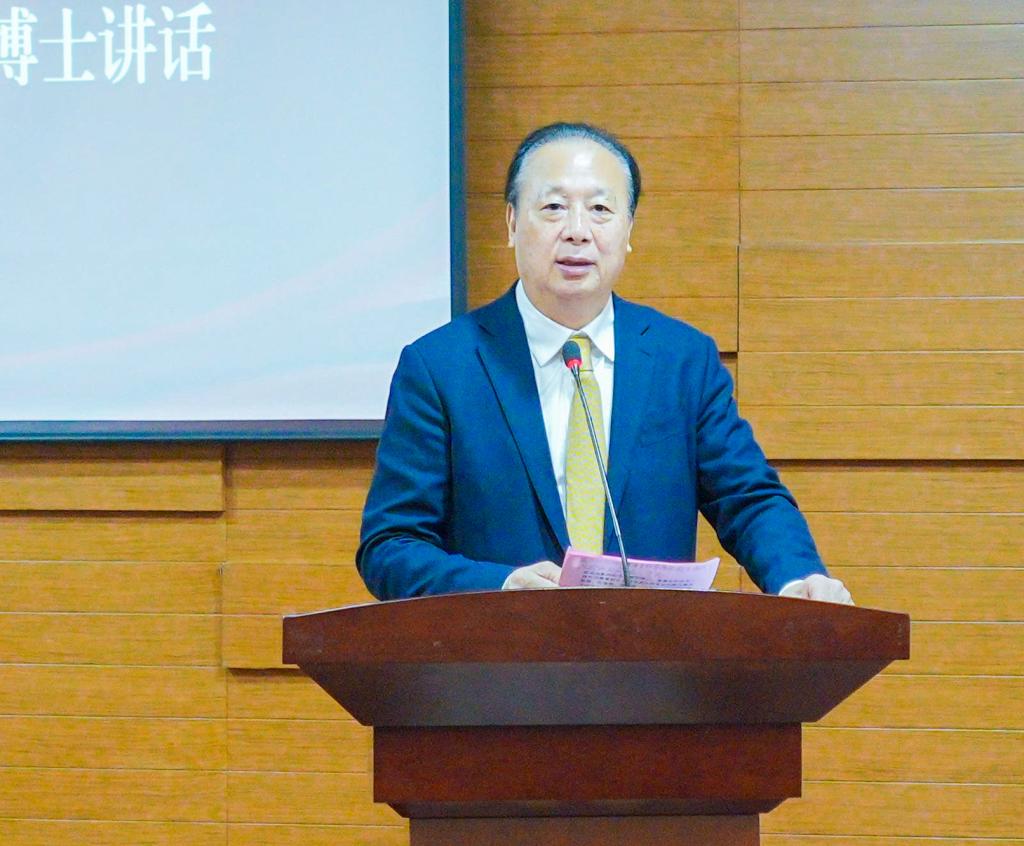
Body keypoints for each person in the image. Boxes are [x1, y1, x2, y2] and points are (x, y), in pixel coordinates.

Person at [357, 122, 852, 605]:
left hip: (647, 652)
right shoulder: (440, 368)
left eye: (600, 209)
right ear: (511, 224)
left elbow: (748, 499)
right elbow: (391, 545)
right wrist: (499, 586)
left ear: (628, 229)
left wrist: (797, 578)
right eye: (553, 207)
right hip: (498, 655)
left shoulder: (682, 360)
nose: (577, 232)